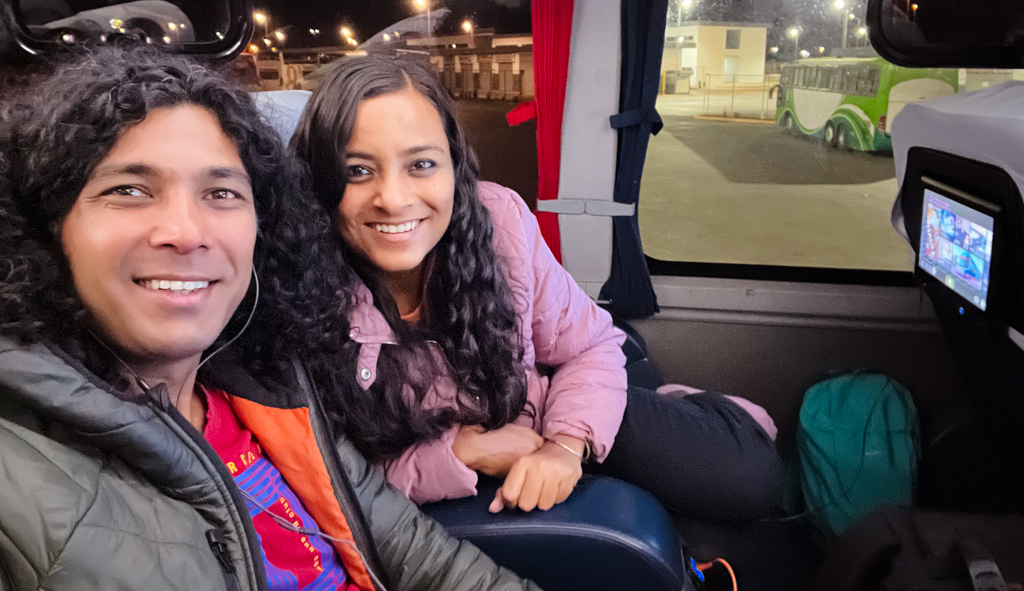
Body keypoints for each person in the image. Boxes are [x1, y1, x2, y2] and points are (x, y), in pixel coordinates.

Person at [0, 48, 540, 591]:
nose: (186, 232)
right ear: (47, 227)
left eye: (221, 193)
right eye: (130, 190)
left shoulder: (266, 386)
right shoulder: (19, 474)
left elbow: (426, 561)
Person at [290, 54, 784, 521]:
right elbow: (321, 478)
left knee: (751, 474)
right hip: (488, 452)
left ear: (454, 168)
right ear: (318, 182)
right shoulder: (296, 299)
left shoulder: (496, 223)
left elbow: (590, 343)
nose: (394, 199)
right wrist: (457, 454)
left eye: (421, 165)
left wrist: (566, 446)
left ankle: (681, 404)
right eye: (358, 171)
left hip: (550, 403)